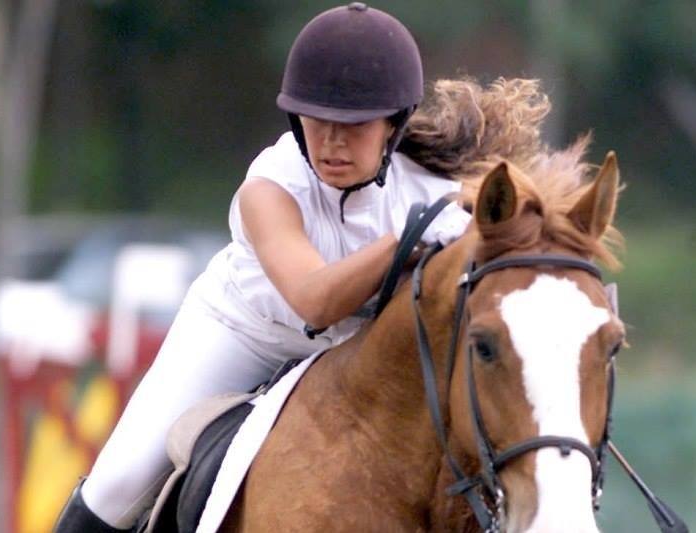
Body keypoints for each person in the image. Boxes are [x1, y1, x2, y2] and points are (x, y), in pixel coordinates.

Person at [52, 4, 484, 531]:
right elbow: (315, 302)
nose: (332, 143)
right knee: (117, 486)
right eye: (317, 121)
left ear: (395, 123)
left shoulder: (435, 195)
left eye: (354, 125)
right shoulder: (272, 184)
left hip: (363, 353)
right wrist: (409, 239)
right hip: (245, 333)